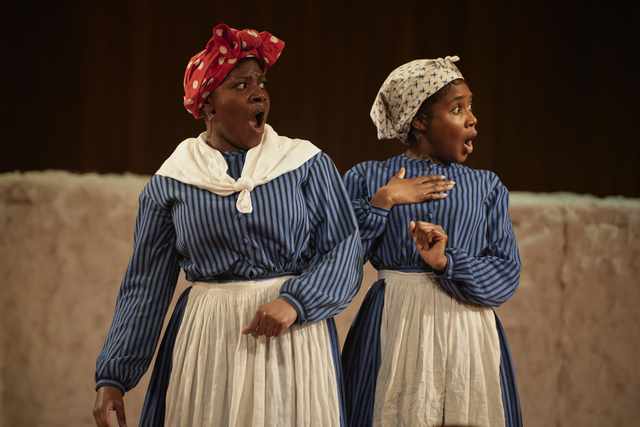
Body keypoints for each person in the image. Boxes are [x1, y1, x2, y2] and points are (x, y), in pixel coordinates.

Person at [93, 23, 363, 427]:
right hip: (208, 343)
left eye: (261, 83)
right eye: (240, 85)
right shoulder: (173, 181)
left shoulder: (305, 164)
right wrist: (113, 377)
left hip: (292, 336)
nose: (259, 93)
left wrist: (296, 302)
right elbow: (146, 284)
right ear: (208, 106)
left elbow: (344, 248)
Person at [341, 56, 522, 427]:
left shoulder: (485, 186)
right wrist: (382, 202)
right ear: (420, 121)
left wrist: (445, 262)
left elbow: (505, 274)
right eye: (457, 109)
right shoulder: (368, 178)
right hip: (392, 325)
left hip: (466, 332)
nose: (472, 119)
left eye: (470, 107)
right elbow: (339, 260)